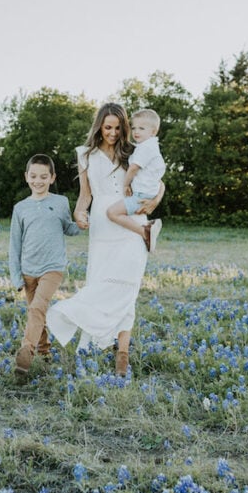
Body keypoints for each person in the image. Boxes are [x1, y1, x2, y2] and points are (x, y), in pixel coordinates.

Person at [46, 102, 164, 377]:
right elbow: (85, 194)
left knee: (127, 289)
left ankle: (122, 355)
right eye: (107, 127)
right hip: (103, 223)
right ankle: (94, 337)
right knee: (100, 285)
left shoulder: (135, 151)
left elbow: (158, 180)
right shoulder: (85, 154)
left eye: (117, 128)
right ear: (99, 126)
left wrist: (155, 199)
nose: (112, 133)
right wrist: (79, 212)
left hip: (132, 221)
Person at [9, 154, 81, 382]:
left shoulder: (60, 202)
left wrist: (82, 222)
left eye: (43, 176)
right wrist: (16, 276)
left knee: (37, 308)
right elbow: (14, 244)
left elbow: (69, 228)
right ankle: (44, 350)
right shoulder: (20, 208)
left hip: (53, 266)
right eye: (33, 176)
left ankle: (26, 353)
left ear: (52, 178)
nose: (37, 181)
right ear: (26, 177)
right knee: (35, 312)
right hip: (28, 268)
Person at [106, 108, 165, 252]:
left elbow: (133, 168)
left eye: (141, 128)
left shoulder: (145, 148)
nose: (136, 132)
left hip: (141, 195)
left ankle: (145, 231)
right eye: (134, 128)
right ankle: (147, 228)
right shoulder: (148, 146)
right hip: (146, 193)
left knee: (112, 213)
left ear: (153, 132)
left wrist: (125, 185)